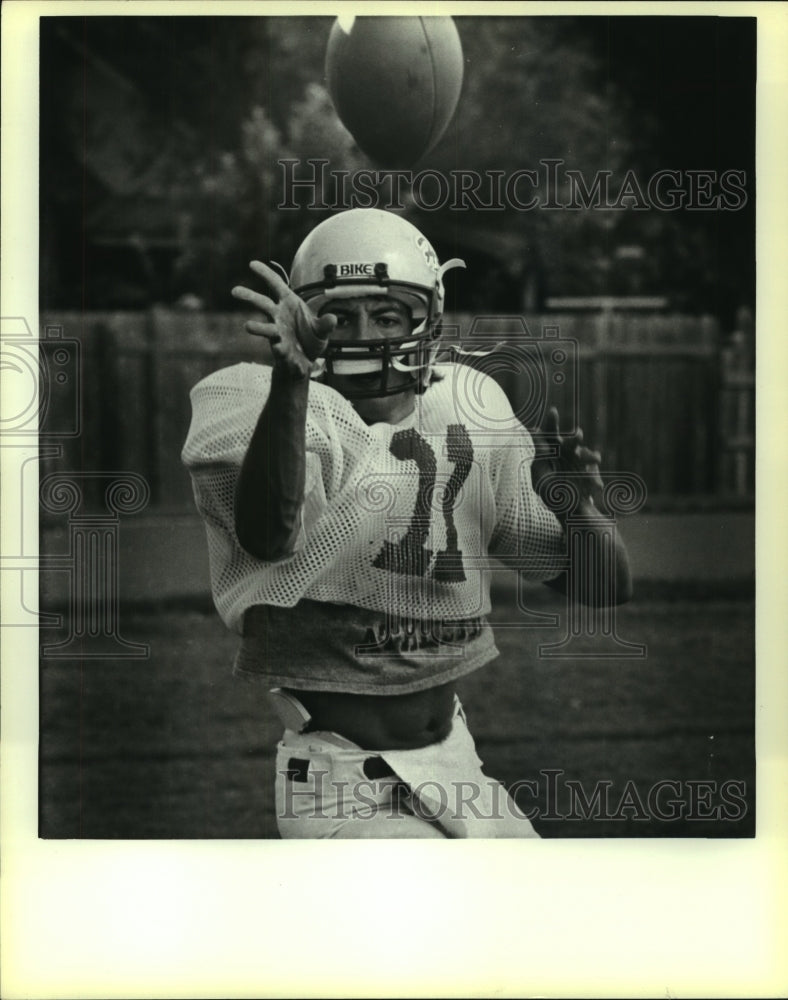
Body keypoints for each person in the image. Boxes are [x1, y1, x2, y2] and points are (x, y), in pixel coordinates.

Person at [182, 208, 632, 839]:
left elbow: (604, 586)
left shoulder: (468, 405)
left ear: (429, 319)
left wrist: (580, 508)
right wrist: (291, 382)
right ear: (305, 320)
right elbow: (269, 531)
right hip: (344, 777)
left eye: (388, 314)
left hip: (457, 761)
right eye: (339, 316)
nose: (364, 334)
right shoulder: (260, 403)